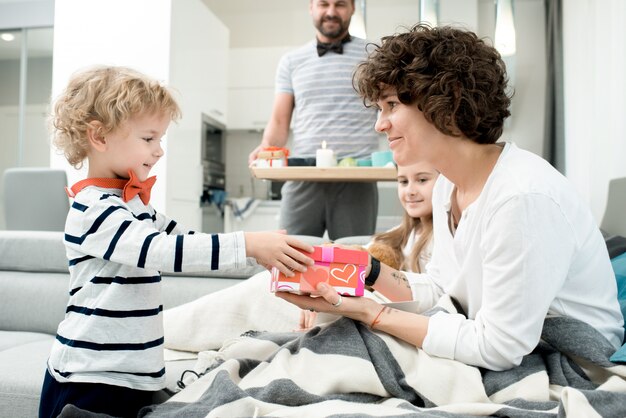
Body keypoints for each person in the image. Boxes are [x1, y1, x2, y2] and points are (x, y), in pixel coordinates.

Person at [278, 24, 625, 371]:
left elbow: (499, 348)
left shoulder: (521, 198)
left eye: (391, 105)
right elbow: (442, 288)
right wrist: (366, 270)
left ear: (445, 104)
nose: (379, 125)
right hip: (502, 335)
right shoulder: (448, 187)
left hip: (568, 350)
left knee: (336, 351)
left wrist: (373, 313)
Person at [39, 65, 314, 418]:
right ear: (100, 136)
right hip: (90, 377)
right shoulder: (92, 208)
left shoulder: (134, 204)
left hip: (135, 376)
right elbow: (160, 250)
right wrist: (247, 244)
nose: (159, 151)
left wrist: (259, 256)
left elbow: (188, 240)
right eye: (148, 138)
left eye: (160, 139)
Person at [248, 0, 381, 240]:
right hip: (303, 175)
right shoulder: (291, 61)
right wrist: (267, 150)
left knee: (354, 260)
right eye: (323, 4)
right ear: (311, 8)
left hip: (358, 177)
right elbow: (280, 121)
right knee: (290, 255)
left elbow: (391, 111)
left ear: (352, 8)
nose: (331, 12)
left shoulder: (374, 55)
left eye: (340, 4)